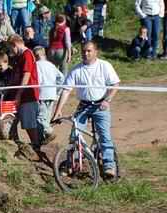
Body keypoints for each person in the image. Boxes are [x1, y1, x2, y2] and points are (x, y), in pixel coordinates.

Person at [51, 41, 120, 178]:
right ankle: (73, 163)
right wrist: (57, 110)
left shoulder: (104, 66)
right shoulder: (76, 70)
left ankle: (109, 165)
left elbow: (115, 84)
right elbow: (66, 90)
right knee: (75, 135)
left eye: (89, 51)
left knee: (104, 135)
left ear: (95, 52)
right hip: (84, 105)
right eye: (83, 51)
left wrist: (107, 100)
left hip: (101, 105)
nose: (85, 53)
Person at [8, 34, 40, 154]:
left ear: (14, 44)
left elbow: (26, 75)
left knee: (29, 122)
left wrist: (19, 93)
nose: (11, 52)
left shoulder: (27, 54)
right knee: (23, 121)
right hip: (22, 94)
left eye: (11, 48)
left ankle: (36, 145)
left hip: (28, 95)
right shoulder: (19, 57)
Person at [33, 45, 62, 144]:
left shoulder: (36, 65)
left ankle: (49, 131)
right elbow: (61, 78)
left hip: (42, 95)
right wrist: (57, 92)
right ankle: (42, 140)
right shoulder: (51, 65)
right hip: (52, 95)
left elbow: (37, 80)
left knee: (40, 118)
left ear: (35, 55)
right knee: (46, 118)